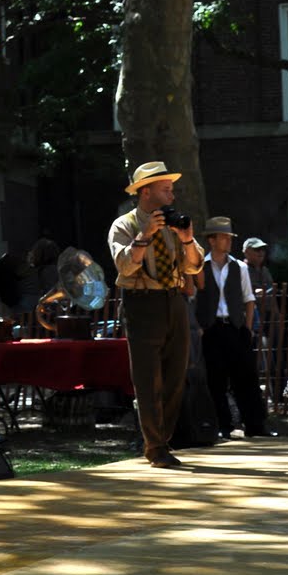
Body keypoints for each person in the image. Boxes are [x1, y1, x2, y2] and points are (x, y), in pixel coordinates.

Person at [107, 161, 205, 469]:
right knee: (148, 378)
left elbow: (194, 266)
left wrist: (187, 238)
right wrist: (145, 235)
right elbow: (124, 265)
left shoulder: (175, 224)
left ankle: (162, 439)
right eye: (166, 190)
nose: (172, 196)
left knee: (176, 374)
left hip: (175, 300)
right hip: (142, 302)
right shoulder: (124, 225)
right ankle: (156, 447)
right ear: (146, 191)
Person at [193, 217, 272, 439]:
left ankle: (256, 425)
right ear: (211, 240)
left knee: (246, 377)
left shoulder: (239, 267)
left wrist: (247, 328)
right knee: (215, 379)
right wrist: (200, 328)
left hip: (235, 328)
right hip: (212, 328)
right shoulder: (200, 266)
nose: (228, 241)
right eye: (224, 237)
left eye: (229, 237)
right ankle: (223, 426)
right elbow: (194, 299)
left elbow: (248, 299)